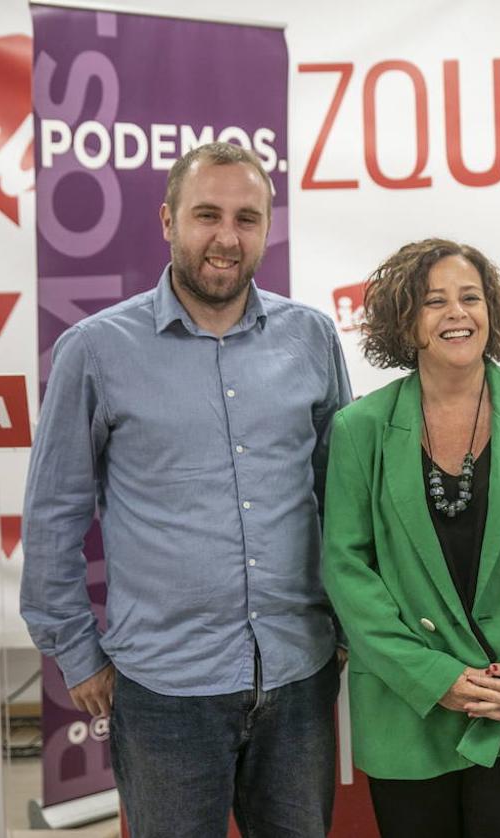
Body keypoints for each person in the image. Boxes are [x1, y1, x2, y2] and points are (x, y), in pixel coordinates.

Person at [21, 141, 352, 837]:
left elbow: (341, 497)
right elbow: (54, 512)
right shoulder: (96, 350)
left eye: (247, 218)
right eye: (207, 215)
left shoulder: (312, 339)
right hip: (166, 693)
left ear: (266, 228)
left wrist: (348, 625)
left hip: (297, 677)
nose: (226, 238)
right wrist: (76, 651)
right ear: (167, 220)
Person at [321, 238, 500, 838]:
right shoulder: (359, 429)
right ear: (405, 321)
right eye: (434, 301)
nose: (457, 313)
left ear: (492, 311)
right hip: (408, 707)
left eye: (470, 298)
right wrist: (433, 678)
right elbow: (347, 568)